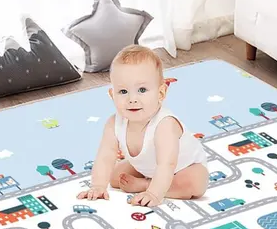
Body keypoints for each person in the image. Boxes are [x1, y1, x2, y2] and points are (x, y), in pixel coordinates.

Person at [77, 45, 208, 207]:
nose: (132, 99)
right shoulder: (113, 123)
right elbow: (105, 157)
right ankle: (147, 179)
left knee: (194, 184)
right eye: (123, 92)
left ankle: (145, 184)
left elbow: (167, 164)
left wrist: (153, 193)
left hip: (184, 168)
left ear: (161, 93)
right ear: (112, 95)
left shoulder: (165, 125)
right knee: (115, 177)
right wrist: (98, 186)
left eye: (142, 90)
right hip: (149, 167)